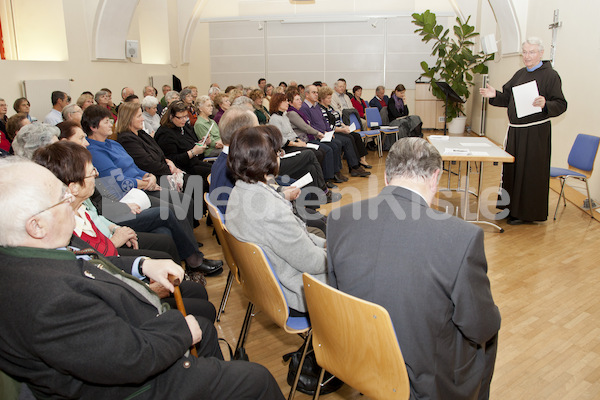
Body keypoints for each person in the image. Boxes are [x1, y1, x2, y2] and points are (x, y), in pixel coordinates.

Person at [0, 157, 285, 400]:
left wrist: (144, 263)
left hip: (122, 342)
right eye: (61, 200)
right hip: (129, 385)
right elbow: (129, 360)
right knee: (256, 379)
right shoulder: (48, 297)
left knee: (205, 328)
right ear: (36, 225)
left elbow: (95, 264)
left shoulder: (33, 255)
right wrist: (179, 330)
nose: (69, 204)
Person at [327, 137, 501, 400]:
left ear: (386, 177)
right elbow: (481, 327)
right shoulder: (461, 237)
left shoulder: (339, 219)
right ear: (435, 177)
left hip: (357, 357)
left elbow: (335, 295)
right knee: (490, 331)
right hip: (422, 379)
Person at [225, 125, 327, 315]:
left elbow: (299, 239)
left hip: (265, 286)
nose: (280, 155)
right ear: (267, 158)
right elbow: (311, 262)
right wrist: (342, 253)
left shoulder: (239, 192)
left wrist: (327, 244)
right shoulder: (269, 209)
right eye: (278, 152)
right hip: (298, 291)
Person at [480, 37, 567, 225]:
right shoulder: (520, 74)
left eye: (532, 52)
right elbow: (508, 97)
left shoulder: (550, 76)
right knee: (513, 170)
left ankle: (525, 213)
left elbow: (561, 104)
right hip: (516, 132)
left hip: (535, 133)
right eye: (525, 52)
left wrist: (546, 104)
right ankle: (510, 208)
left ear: (541, 53)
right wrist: (495, 95)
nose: (527, 56)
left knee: (529, 172)